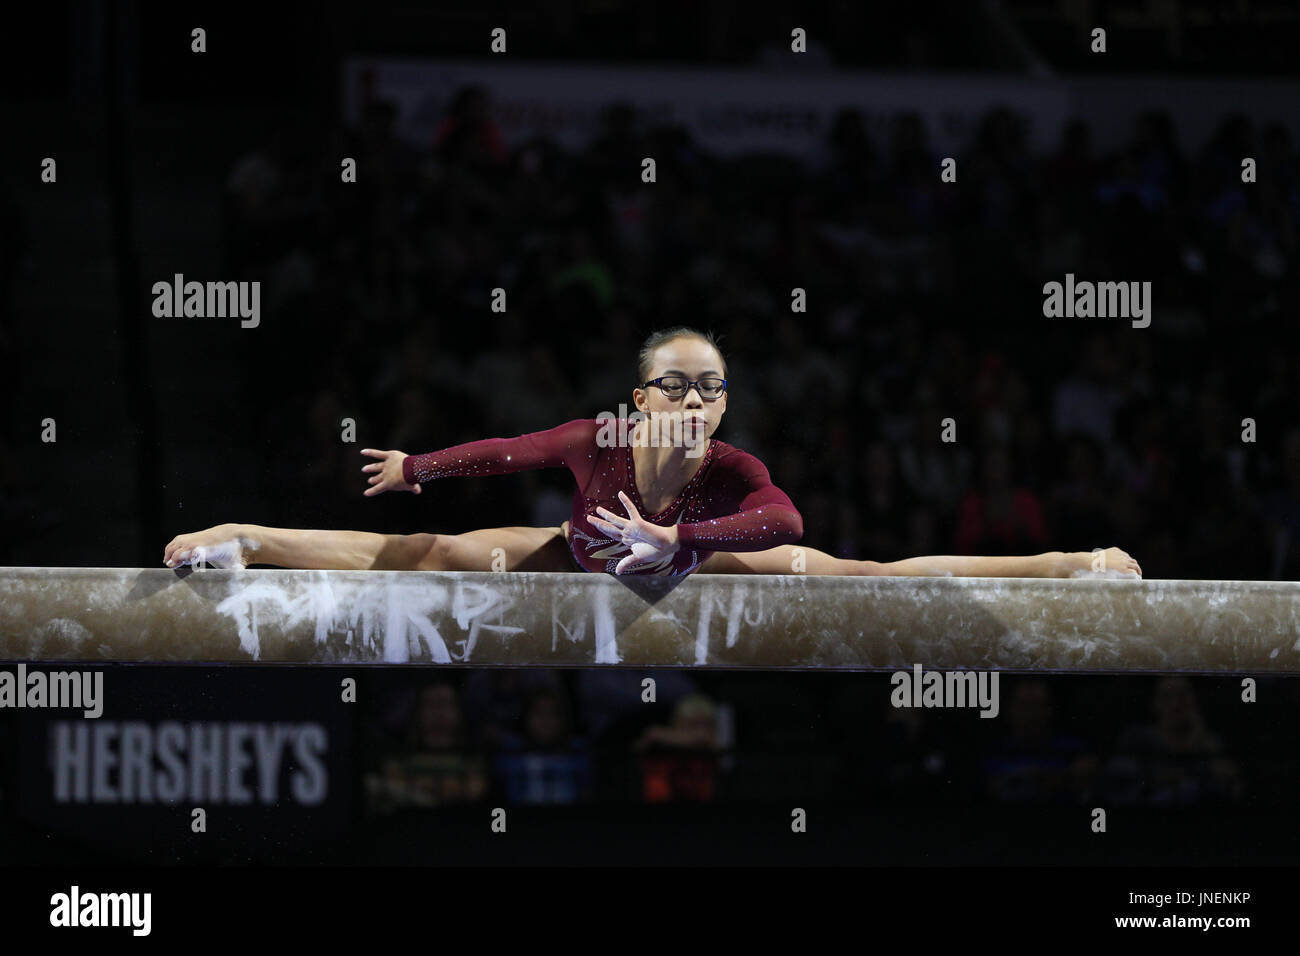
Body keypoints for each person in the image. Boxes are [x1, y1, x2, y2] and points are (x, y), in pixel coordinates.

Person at [163, 327, 1142, 579]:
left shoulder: (729, 469)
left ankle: (1060, 562)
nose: (697, 398)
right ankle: (245, 535)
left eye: (712, 386)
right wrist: (419, 468)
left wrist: (688, 543)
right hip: (576, 558)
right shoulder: (599, 440)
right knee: (429, 554)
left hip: (695, 570)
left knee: (861, 576)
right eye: (676, 383)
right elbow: (509, 449)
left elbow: (785, 521)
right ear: (638, 402)